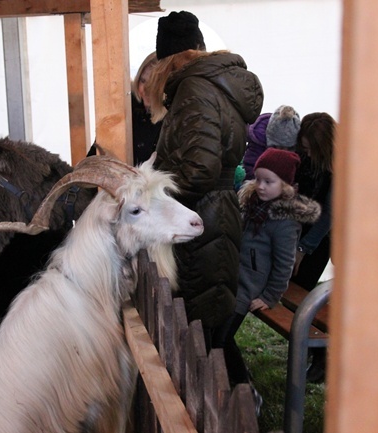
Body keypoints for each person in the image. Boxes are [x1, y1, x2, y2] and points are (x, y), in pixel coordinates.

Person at [147, 10, 264, 350]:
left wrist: (152, 191)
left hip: (201, 215)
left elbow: (199, 169)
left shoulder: (194, 88)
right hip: (216, 211)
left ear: (167, 60)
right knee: (208, 319)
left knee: (197, 328)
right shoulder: (213, 86)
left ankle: (230, 396)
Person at [219, 148, 320, 392]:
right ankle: (228, 380)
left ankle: (244, 387)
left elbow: (285, 264)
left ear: (285, 185)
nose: (261, 186)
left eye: (268, 181)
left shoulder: (285, 221)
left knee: (221, 338)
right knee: (217, 334)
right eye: (258, 179)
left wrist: (269, 296)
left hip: (249, 287)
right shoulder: (253, 204)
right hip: (234, 277)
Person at [290, 112, 336, 383]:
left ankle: (321, 355)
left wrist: (302, 250)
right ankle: (308, 347)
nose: (304, 152)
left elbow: (328, 216)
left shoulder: (339, 168)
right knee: (298, 290)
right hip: (304, 229)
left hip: (322, 236)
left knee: (304, 293)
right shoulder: (309, 160)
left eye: (308, 148)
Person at [131, 51, 163, 166]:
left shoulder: (175, 118)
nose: (146, 90)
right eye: (143, 81)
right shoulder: (127, 108)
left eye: (154, 84)